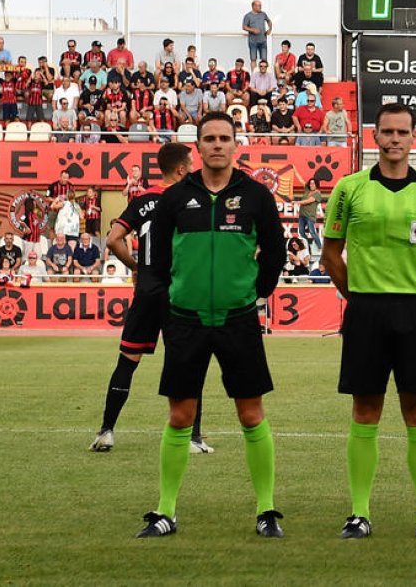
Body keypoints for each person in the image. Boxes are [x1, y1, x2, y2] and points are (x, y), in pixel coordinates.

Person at [137, 112, 286, 538]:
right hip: (186, 321)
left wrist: (254, 293)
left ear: (235, 144)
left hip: (239, 320)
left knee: (251, 413)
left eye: (224, 138)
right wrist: (170, 302)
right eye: (209, 139)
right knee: (181, 416)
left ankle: (266, 510)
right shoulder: (173, 199)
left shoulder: (257, 196)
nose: (217, 145)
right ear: (197, 148)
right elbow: (156, 262)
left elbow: (275, 254)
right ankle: (165, 511)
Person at [321, 103, 416, 541]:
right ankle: (359, 513)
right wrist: (357, 295)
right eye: (387, 132)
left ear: (415, 137)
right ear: (375, 136)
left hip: (415, 309)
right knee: (365, 410)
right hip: (366, 311)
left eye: (402, 132)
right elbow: (331, 255)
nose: (395, 139)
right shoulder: (349, 188)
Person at [91, 143, 213, 453]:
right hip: (178, 293)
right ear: (182, 170)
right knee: (189, 363)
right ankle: (193, 438)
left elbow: (114, 239)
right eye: (192, 165)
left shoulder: (142, 198)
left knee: (127, 361)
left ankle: (106, 431)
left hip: (146, 290)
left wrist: (136, 266)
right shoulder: (191, 199)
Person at [296, 178, 323, 253]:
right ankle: (307, 246)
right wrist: (294, 170)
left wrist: (297, 202)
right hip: (302, 215)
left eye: (313, 183)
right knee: (301, 232)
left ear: (316, 184)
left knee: (312, 232)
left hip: (310, 216)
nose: (311, 185)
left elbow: (308, 201)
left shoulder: (318, 193)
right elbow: (301, 180)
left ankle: (320, 247)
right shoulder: (307, 190)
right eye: (310, 183)